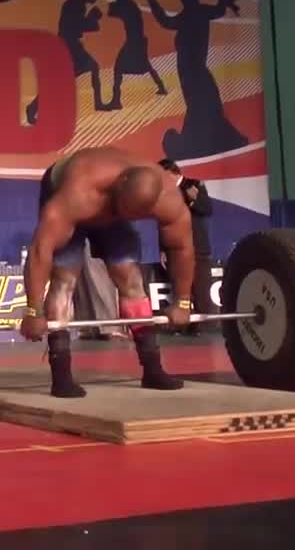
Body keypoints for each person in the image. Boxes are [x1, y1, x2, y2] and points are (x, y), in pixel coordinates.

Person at [20, 146, 191, 397]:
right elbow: (40, 250)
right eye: (122, 210)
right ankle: (61, 375)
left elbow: (182, 247)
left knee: (131, 279)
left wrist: (183, 301)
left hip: (113, 201)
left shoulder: (168, 198)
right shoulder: (77, 192)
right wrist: (34, 311)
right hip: (70, 191)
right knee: (64, 279)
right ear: (119, 189)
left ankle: (152, 367)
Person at [158, 158, 214, 334]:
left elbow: (206, 209)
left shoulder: (195, 184)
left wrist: (192, 200)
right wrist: (163, 249)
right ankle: (183, 325)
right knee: (181, 290)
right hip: (175, 249)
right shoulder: (163, 192)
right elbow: (163, 221)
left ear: (174, 172)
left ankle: (204, 326)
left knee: (200, 288)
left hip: (197, 246)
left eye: (164, 176)